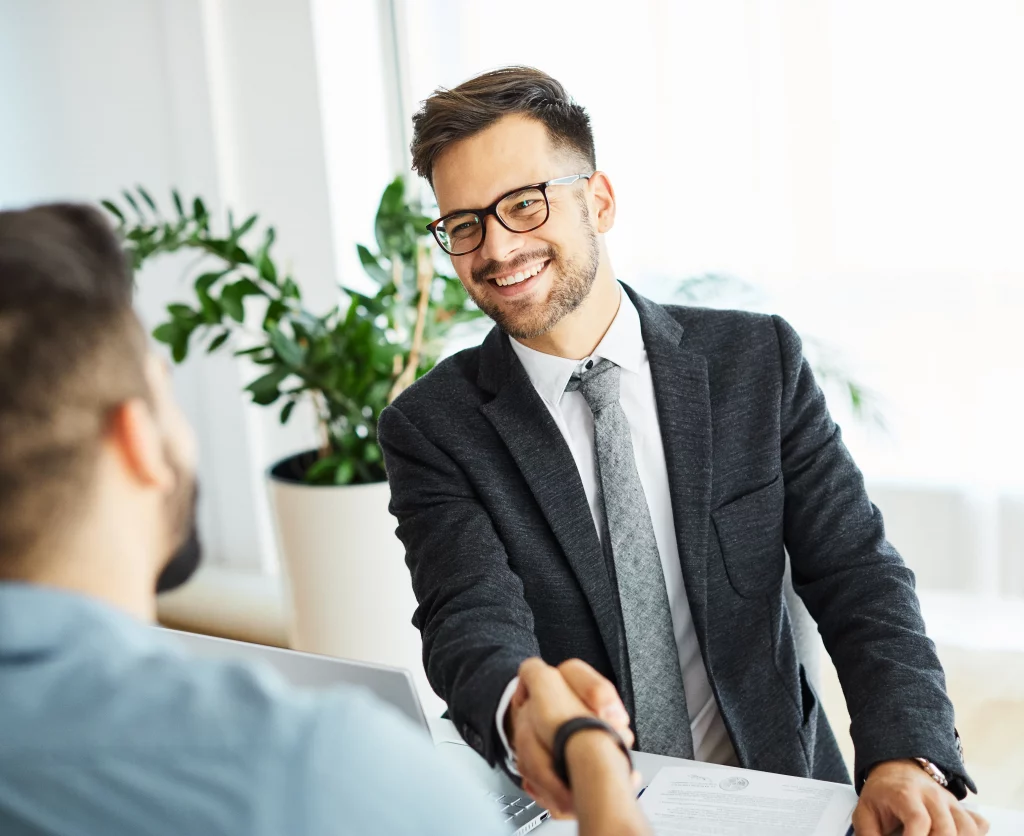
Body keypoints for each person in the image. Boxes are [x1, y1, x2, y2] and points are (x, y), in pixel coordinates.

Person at [377, 66, 990, 836]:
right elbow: (469, 618)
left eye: (524, 205)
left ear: (597, 200)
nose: (497, 247)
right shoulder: (433, 427)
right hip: (583, 808)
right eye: (464, 225)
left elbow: (858, 574)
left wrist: (905, 758)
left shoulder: (755, 362)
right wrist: (530, 713)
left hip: (782, 790)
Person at [0, 202, 646, 836]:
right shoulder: (318, 771)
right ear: (136, 439)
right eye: (162, 384)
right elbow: (467, 613)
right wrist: (597, 772)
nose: (498, 248)